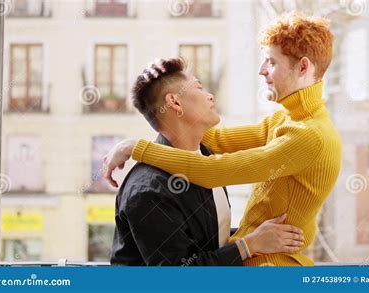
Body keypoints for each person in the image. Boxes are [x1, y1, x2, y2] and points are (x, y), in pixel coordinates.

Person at [105, 12, 342, 266]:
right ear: (174, 102)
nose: (262, 71)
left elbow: (214, 170)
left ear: (303, 67)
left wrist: (135, 147)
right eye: (198, 87)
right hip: (255, 261)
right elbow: (217, 141)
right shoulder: (286, 119)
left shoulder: (309, 135)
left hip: (272, 266)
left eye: (271, 62)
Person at [110, 57, 304, 266]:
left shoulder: (206, 158)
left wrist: (258, 236)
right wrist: (249, 244)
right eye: (199, 88)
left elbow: (207, 238)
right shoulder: (148, 191)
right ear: (174, 102)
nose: (210, 96)